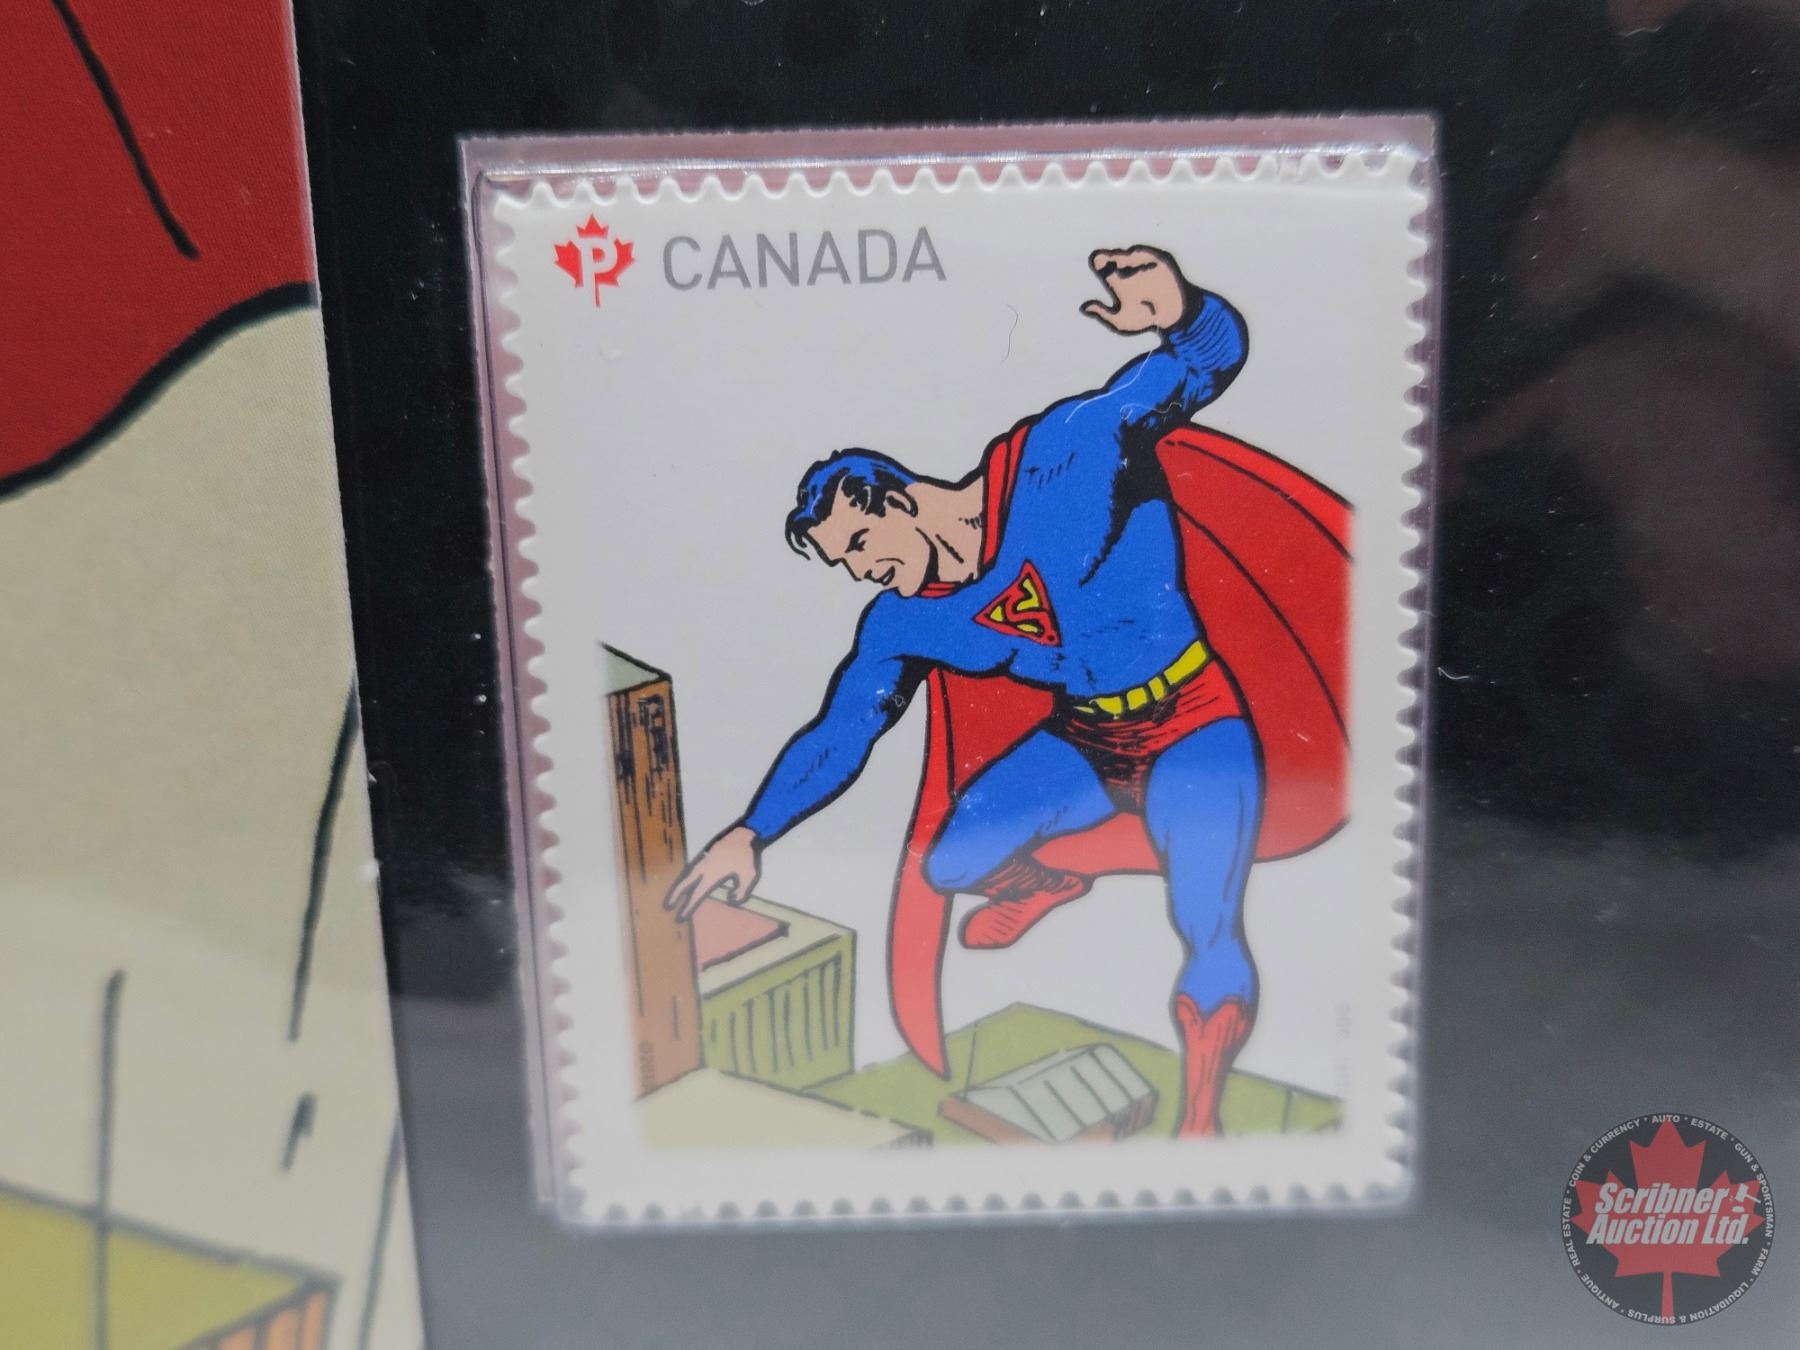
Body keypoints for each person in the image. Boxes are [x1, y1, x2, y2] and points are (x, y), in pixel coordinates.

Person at [666, 246, 1269, 1137]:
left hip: (1192, 724)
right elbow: (843, 730)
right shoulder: (905, 621)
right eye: (844, 566)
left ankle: (1203, 1123)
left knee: (1206, 922)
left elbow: (1199, 367)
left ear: (899, 501)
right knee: (950, 863)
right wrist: (752, 831)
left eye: (861, 548)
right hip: (1088, 743)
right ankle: (1048, 885)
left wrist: (1183, 311)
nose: (866, 573)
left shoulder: (1064, 454)